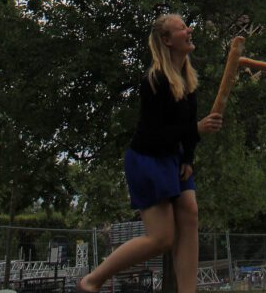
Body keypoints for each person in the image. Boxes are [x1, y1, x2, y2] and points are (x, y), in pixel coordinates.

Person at [77, 15, 223, 293]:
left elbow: (185, 129)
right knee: (162, 238)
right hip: (148, 159)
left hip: (174, 157)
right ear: (167, 40)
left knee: (190, 212)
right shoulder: (155, 81)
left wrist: (189, 158)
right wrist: (197, 129)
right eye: (182, 28)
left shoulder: (187, 80)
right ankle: (92, 280)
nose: (189, 29)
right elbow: (159, 134)